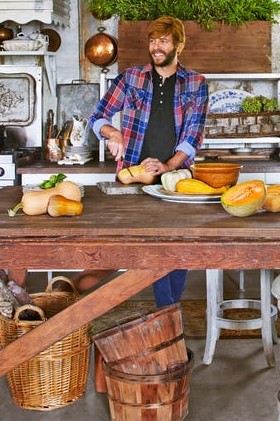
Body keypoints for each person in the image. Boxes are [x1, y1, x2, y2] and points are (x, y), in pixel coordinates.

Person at [77, 16, 208, 306]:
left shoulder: (196, 83)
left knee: (177, 253)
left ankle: (167, 315)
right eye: (153, 41)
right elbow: (97, 117)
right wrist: (113, 134)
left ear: (179, 45)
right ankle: (168, 316)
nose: (156, 47)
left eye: (164, 41)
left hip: (175, 182)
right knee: (151, 251)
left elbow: (193, 137)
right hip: (133, 178)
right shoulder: (130, 78)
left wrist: (168, 166)